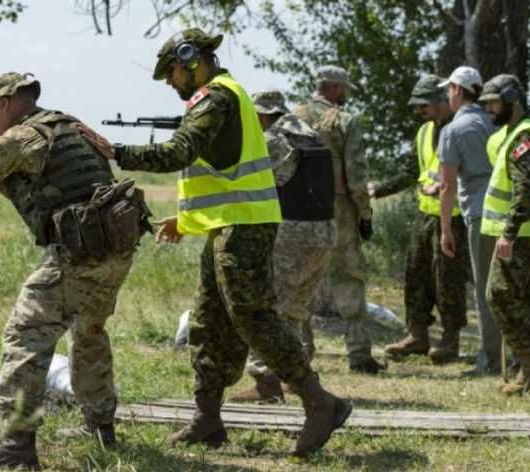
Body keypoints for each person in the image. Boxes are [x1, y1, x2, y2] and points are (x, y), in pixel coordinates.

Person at [79, 28, 351, 457]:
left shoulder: (217, 98)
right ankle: (208, 418)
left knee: (254, 317)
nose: (169, 82)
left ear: (190, 60)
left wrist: (114, 151)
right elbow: (219, 175)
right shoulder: (220, 98)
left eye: (170, 72)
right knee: (208, 319)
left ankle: (319, 402)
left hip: (244, 226)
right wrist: (186, 223)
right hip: (229, 224)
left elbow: (179, 153)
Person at [0, 72, 149, 469]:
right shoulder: (67, 126)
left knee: (25, 336)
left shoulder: (19, 138)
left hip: (77, 254)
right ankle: (100, 429)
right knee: (89, 331)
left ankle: (16, 449)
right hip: (115, 247)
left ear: (7, 103)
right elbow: (28, 184)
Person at [228, 90, 338, 403]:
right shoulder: (311, 136)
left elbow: (254, 181)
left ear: (262, 115)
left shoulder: (274, 141)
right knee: (295, 311)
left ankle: (267, 383)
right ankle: (296, 376)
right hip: (324, 233)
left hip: (292, 236)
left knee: (269, 310)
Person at [293, 66, 383, 374]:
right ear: (335, 88)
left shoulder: (292, 118)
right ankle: (359, 353)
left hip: (300, 210)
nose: (347, 94)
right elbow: (356, 176)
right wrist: (365, 215)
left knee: (300, 279)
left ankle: (300, 352)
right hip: (339, 210)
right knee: (349, 277)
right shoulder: (345, 121)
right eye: (345, 89)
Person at [379, 75, 470, 364]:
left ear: (443, 101)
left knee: (448, 281)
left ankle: (450, 340)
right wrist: (378, 189)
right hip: (426, 215)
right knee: (415, 274)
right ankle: (417, 336)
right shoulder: (422, 133)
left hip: (454, 217)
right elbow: (410, 170)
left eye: (425, 104)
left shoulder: (461, 130)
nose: (420, 110)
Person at [479, 74, 530, 395]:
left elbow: (526, 190)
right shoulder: (511, 135)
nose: (489, 109)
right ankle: (529, 371)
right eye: (486, 104)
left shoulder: (525, 136)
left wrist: (509, 233)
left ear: (512, 101)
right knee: (527, 299)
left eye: (494, 103)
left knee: (499, 294)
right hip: (522, 231)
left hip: (519, 232)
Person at [436, 66, 500, 376]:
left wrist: (445, 229)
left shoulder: (453, 130)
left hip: (479, 212)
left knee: (485, 289)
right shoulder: (495, 122)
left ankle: (490, 361)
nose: (447, 95)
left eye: (448, 90)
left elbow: (447, 185)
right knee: (510, 285)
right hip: (509, 210)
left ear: (458, 91)